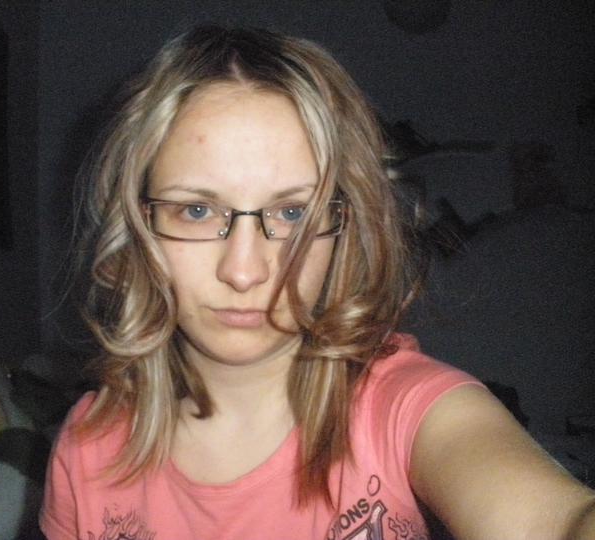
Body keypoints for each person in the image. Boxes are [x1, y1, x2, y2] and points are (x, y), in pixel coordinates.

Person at [39, 26, 595, 540]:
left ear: (344, 229)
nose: (244, 271)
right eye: (197, 211)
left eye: (292, 214)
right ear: (137, 227)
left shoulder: (403, 410)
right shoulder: (86, 453)